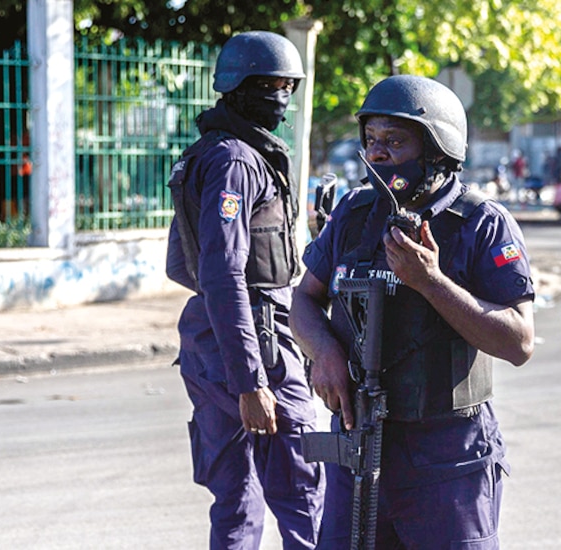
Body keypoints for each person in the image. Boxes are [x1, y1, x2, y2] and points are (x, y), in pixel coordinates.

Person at [290, 74, 535, 548]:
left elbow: (519, 341)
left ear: (437, 150)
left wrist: (430, 282)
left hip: (448, 458)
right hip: (358, 444)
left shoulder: (480, 223)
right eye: (371, 140)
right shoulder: (355, 214)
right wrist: (322, 352)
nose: (377, 154)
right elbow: (303, 299)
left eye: (394, 142)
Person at [164, 31, 324, 549]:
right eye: (270, 84)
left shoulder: (212, 153)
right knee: (301, 495)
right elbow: (222, 272)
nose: (281, 96)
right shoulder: (236, 160)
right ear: (238, 88)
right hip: (255, 344)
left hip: (216, 341)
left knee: (236, 503)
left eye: (287, 85)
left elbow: (185, 265)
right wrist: (251, 381)